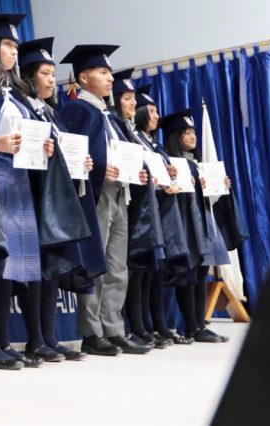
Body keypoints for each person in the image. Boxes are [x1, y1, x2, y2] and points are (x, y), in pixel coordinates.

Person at [0, 15, 58, 370]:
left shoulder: (14, 94)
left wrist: (40, 149)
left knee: (12, 267)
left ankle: (4, 340)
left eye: (16, 46)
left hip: (17, 182)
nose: (14, 51)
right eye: (8, 45)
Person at [57, 45, 151, 356]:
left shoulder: (109, 116)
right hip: (95, 194)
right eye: (102, 72)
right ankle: (91, 331)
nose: (110, 78)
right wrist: (99, 167)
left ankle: (113, 327)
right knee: (96, 264)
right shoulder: (75, 109)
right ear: (83, 78)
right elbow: (71, 154)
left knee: (117, 266)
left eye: (110, 73)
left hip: (118, 193)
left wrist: (133, 172)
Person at [19, 36, 103, 361]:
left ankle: (50, 337)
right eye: (44, 74)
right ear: (28, 77)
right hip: (33, 193)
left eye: (53, 74)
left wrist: (80, 162)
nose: (52, 80)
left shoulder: (53, 113)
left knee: (53, 266)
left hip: (53, 194)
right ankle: (35, 339)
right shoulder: (25, 109)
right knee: (39, 268)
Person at [160, 110, 233, 343]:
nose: (193, 137)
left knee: (201, 272)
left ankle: (201, 323)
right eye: (187, 132)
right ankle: (190, 326)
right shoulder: (171, 162)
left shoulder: (197, 163)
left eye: (193, 132)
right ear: (174, 136)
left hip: (200, 220)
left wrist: (218, 186)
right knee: (188, 273)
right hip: (182, 221)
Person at [131, 86, 192, 346]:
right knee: (139, 271)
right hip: (141, 209)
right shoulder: (134, 139)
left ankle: (158, 325)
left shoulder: (153, 144)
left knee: (154, 271)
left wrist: (170, 178)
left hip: (159, 207)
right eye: (151, 111)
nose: (156, 116)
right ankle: (140, 325)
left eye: (157, 111)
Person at [108, 69, 165, 351]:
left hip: (133, 199)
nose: (133, 104)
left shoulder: (129, 131)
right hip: (118, 198)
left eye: (134, 99)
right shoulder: (114, 124)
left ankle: (138, 327)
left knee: (136, 268)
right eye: (128, 98)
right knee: (125, 266)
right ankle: (128, 326)